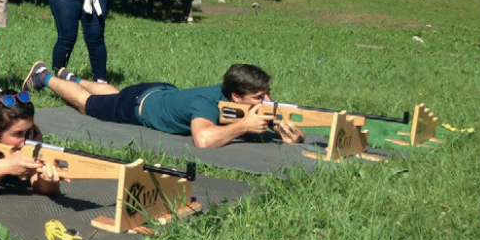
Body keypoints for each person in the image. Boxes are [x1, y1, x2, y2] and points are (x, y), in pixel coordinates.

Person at [23, 62, 306, 149]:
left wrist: (289, 133)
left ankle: (73, 78)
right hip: (136, 106)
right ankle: (44, 76)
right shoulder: (206, 104)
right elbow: (203, 140)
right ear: (235, 97)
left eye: (267, 95)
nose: (267, 102)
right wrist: (244, 126)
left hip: (157, 93)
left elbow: (287, 131)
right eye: (259, 97)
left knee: (114, 94)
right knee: (88, 104)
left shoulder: (238, 102)